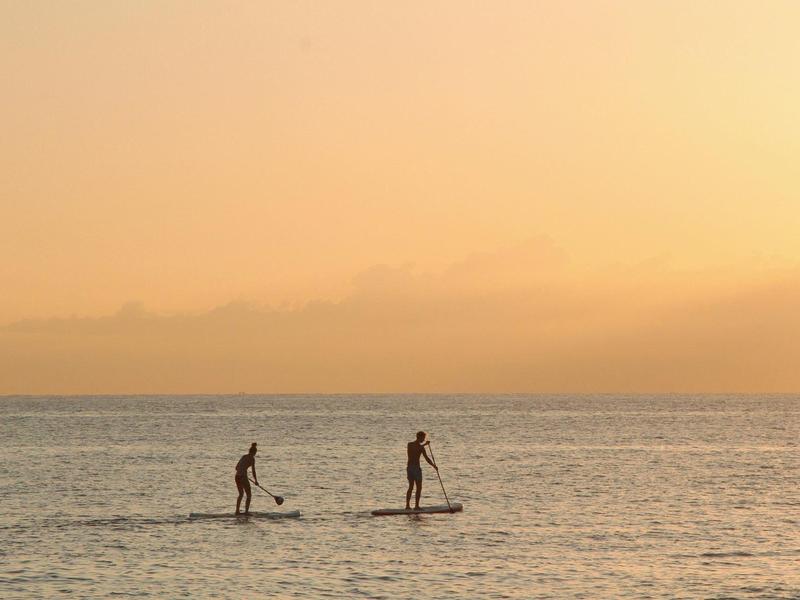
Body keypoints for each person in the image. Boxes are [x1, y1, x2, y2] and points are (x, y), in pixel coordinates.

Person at [406, 431, 437, 510]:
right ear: (419, 437)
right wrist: (425, 445)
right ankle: (408, 506)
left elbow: (426, 458)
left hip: (412, 468)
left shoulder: (420, 447)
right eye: (423, 438)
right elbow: (415, 450)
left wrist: (433, 465)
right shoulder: (410, 444)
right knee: (412, 487)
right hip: (413, 469)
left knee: (417, 487)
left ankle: (416, 506)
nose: (424, 439)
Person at [235, 442, 259, 514]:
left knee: (241, 494)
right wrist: (256, 481)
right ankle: (246, 512)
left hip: (237, 476)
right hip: (242, 477)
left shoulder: (244, 456)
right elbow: (253, 471)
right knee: (249, 495)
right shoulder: (252, 459)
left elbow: (236, 468)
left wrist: (243, 472)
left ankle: (237, 511)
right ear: (254, 452)